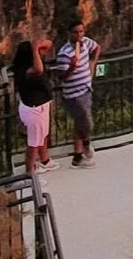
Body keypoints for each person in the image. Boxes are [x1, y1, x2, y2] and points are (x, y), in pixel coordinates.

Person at [53, 17, 101, 168]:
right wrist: (72, 67)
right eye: (76, 32)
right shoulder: (64, 53)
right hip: (74, 95)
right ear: (69, 33)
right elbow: (61, 77)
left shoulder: (85, 42)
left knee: (80, 124)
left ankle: (77, 157)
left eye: (81, 31)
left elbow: (97, 47)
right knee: (86, 123)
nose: (79, 35)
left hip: (86, 89)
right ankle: (86, 144)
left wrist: (92, 63)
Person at [11, 36, 54, 174]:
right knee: (33, 144)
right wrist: (35, 49)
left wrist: (36, 45)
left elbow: (49, 43)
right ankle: (30, 173)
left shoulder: (34, 60)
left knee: (42, 136)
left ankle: (45, 161)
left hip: (41, 106)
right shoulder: (24, 70)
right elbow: (38, 70)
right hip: (34, 110)